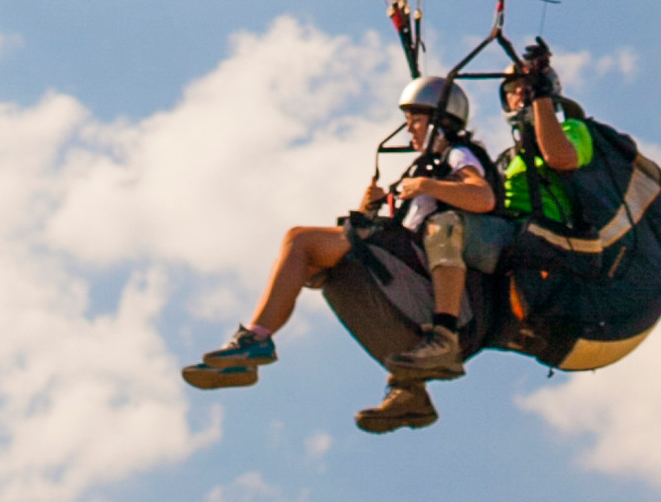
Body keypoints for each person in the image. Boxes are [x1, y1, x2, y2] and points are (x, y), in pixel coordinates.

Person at [178, 73, 502, 433]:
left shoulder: (458, 153)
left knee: (301, 242)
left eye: (416, 120)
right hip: (413, 269)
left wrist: (424, 186)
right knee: (327, 272)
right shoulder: (427, 167)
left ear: (440, 120)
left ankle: (254, 341)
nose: (409, 129)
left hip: (433, 275)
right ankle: (409, 392)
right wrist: (372, 210)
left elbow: (483, 197)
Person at [500, 39, 598, 228]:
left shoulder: (574, 129)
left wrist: (539, 95)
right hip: (511, 238)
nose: (520, 90)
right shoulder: (508, 159)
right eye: (512, 87)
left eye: (526, 84)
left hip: (552, 240)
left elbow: (560, 157)